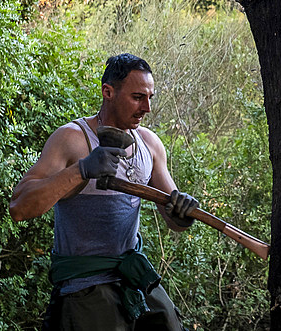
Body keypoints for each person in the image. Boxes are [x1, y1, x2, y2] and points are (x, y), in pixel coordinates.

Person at [10, 53, 200, 331]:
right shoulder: (72, 139)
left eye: (150, 97)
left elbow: (173, 219)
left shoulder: (149, 144)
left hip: (134, 278)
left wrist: (183, 214)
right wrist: (82, 170)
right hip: (86, 287)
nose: (146, 107)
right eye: (137, 97)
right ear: (108, 92)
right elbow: (19, 207)